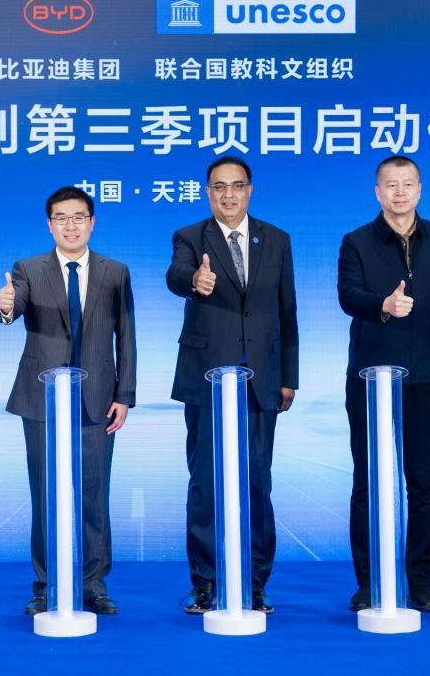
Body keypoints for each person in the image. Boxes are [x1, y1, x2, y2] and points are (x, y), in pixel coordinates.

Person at [0, 186, 136, 616]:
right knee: (45, 494)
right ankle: (46, 584)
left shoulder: (115, 272)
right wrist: (5, 307)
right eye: (61, 218)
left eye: (78, 217)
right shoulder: (28, 268)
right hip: (41, 400)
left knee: (94, 494)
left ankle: (93, 584)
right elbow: (12, 307)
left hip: (97, 400)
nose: (70, 226)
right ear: (49, 225)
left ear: (92, 223)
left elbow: (126, 336)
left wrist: (124, 394)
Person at [166, 156, 298, 614]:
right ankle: (204, 582)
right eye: (219, 187)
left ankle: (255, 582)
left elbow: (287, 310)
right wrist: (195, 281)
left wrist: (288, 377)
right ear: (208, 192)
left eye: (236, 186)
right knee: (205, 483)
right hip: (206, 378)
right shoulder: (190, 237)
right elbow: (176, 276)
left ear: (249, 190)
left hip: (261, 380)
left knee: (257, 483)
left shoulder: (276, 239)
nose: (228, 194)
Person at [337, 155, 430, 613]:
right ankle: (368, 582)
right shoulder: (356, 241)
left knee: (423, 482)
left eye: (407, 184)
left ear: (419, 189)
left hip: (427, 375)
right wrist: (384, 305)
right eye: (390, 185)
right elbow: (347, 296)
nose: (399, 192)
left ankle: (420, 583)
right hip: (369, 378)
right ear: (377, 192)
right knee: (367, 480)